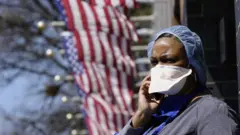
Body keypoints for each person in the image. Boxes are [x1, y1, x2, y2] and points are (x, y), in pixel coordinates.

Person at [117, 25, 239, 135]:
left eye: (169, 60)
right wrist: (141, 115)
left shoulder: (211, 112)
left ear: (192, 64)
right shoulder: (156, 114)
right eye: (154, 62)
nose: (160, 67)